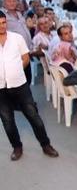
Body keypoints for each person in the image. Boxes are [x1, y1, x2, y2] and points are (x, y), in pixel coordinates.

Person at [0, 11, 59, 161]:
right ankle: (17, 147)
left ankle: (46, 145)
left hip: (19, 84)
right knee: (7, 120)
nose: (2, 26)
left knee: (33, 115)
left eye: (3, 22)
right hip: (0, 88)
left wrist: (17, 69)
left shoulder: (16, 38)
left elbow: (25, 58)